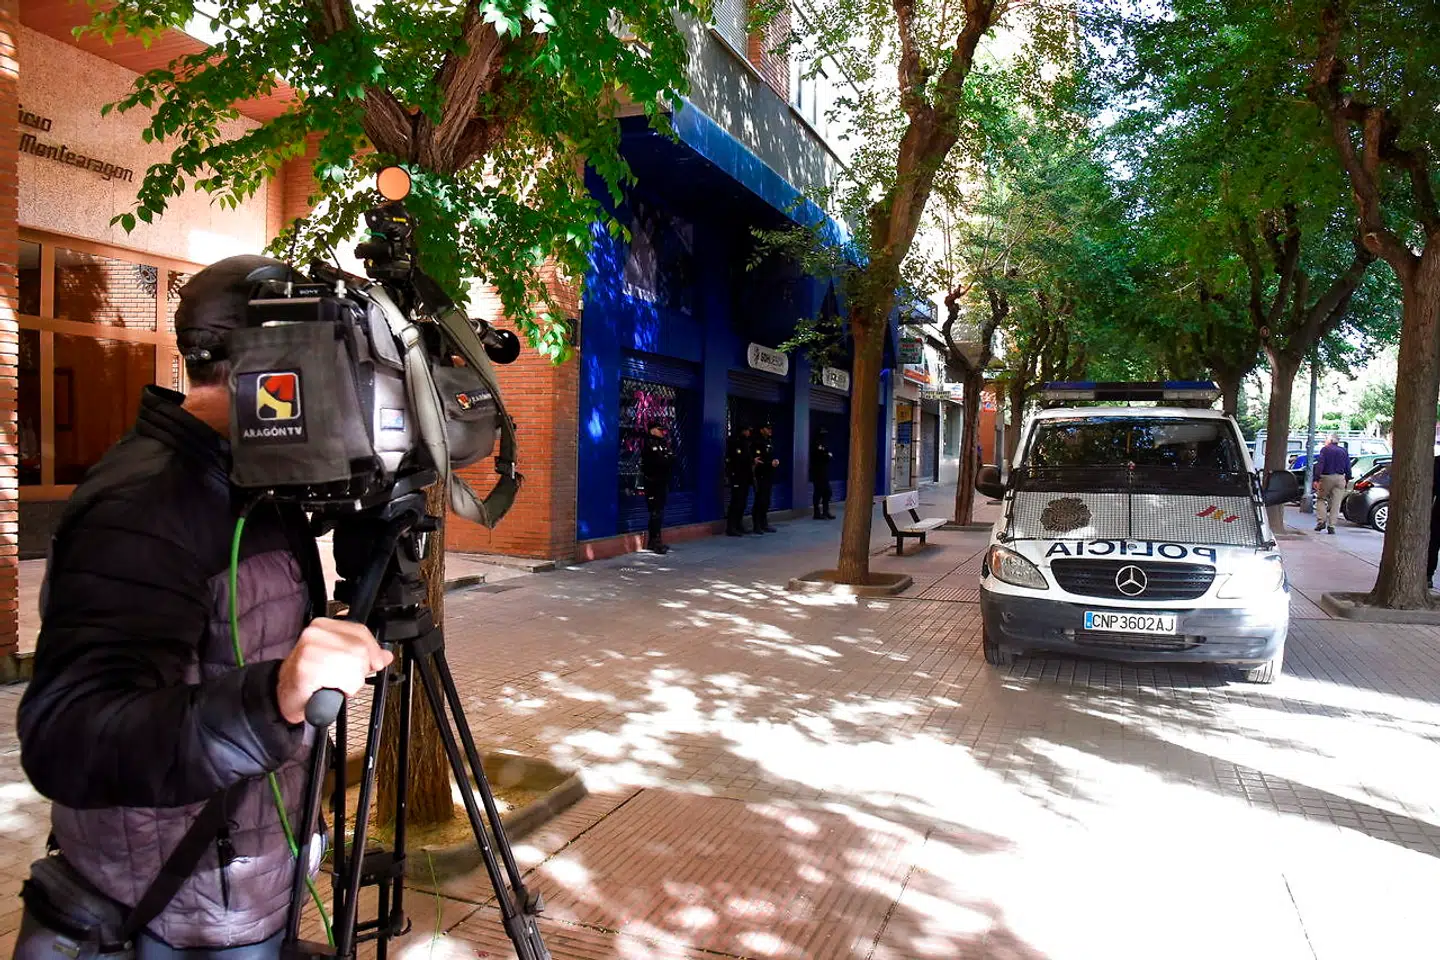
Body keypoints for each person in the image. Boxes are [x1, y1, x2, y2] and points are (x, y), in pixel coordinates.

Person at [16, 255, 391, 960]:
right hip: (175, 912)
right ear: (279, 359)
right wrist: (274, 697)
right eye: (337, 360)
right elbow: (66, 737)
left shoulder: (252, 478)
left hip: (239, 890)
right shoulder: (145, 506)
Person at [640, 422, 674, 554]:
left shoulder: (663, 443)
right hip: (652, 482)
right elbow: (658, 461)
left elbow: (671, 459)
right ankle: (654, 541)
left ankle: (657, 539)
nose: (662, 432)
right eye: (659, 430)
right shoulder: (649, 444)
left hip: (662, 482)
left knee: (659, 511)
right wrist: (665, 460)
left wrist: (666, 459)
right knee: (655, 512)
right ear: (652, 430)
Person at [1312, 435, 1352, 534]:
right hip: (1340, 478)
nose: (1325, 441)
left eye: (1326, 439)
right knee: (1336, 503)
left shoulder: (1325, 450)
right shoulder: (1343, 451)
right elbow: (1348, 466)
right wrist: (1347, 478)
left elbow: (1321, 464)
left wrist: (1316, 478)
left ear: (1330, 440)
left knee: (1321, 499)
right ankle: (1332, 525)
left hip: (1326, 477)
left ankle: (1321, 520)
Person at [725, 425, 754, 536]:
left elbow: (747, 459)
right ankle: (731, 527)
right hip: (737, 476)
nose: (749, 433)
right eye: (747, 430)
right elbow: (735, 461)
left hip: (745, 477)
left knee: (742, 502)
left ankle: (739, 524)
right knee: (736, 502)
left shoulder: (746, 443)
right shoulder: (734, 442)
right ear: (743, 431)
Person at [752, 423, 780, 534]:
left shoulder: (769, 441)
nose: (770, 430)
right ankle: (756, 525)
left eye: (770, 429)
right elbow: (758, 461)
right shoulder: (757, 443)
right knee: (760, 500)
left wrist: (774, 462)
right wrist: (769, 464)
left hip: (769, 474)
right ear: (761, 430)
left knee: (766, 500)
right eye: (767, 429)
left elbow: (770, 456)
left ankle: (764, 523)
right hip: (760, 475)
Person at [810, 427, 835, 520]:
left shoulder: (824, 444)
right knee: (818, 492)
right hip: (817, 472)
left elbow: (827, 455)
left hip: (823, 471)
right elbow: (820, 455)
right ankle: (816, 513)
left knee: (827, 492)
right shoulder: (815, 444)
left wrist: (827, 455)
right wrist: (826, 455)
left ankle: (825, 511)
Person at [1428, 453, 1440, 588]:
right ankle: (1428, 575)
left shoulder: (1436, 462)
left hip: (1438, 511)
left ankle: (1428, 575)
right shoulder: (1436, 462)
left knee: (1433, 544)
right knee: (1433, 544)